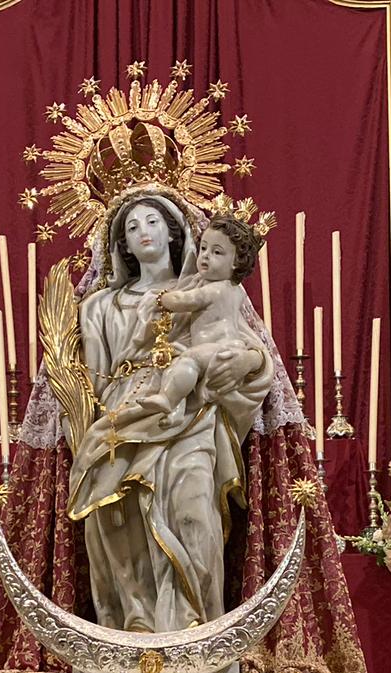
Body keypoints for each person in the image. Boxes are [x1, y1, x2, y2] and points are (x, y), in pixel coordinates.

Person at [67, 192, 272, 633]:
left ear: (176, 232)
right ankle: (138, 623)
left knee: (193, 507)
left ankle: (198, 626)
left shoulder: (209, 291)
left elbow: (246, 346)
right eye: (132, 226)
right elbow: (92, 378)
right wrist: (98, 425)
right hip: (126, 411)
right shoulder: (99, 306)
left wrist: (250, 362)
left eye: (153, 222)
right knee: (119, 515)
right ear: (120, 243)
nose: (143, 232)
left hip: (192, 411)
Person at [138, 216, 265, 429]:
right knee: (179, 367)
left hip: (217, 349)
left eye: (216, 252)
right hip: (219, 348)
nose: (205, 256)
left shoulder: (215, 289)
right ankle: (175, 409)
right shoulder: (231, 289)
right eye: (204, 248)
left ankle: (168, 400)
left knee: (188, 362)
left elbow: (187, 300)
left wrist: (161, 298)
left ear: (236, 262)